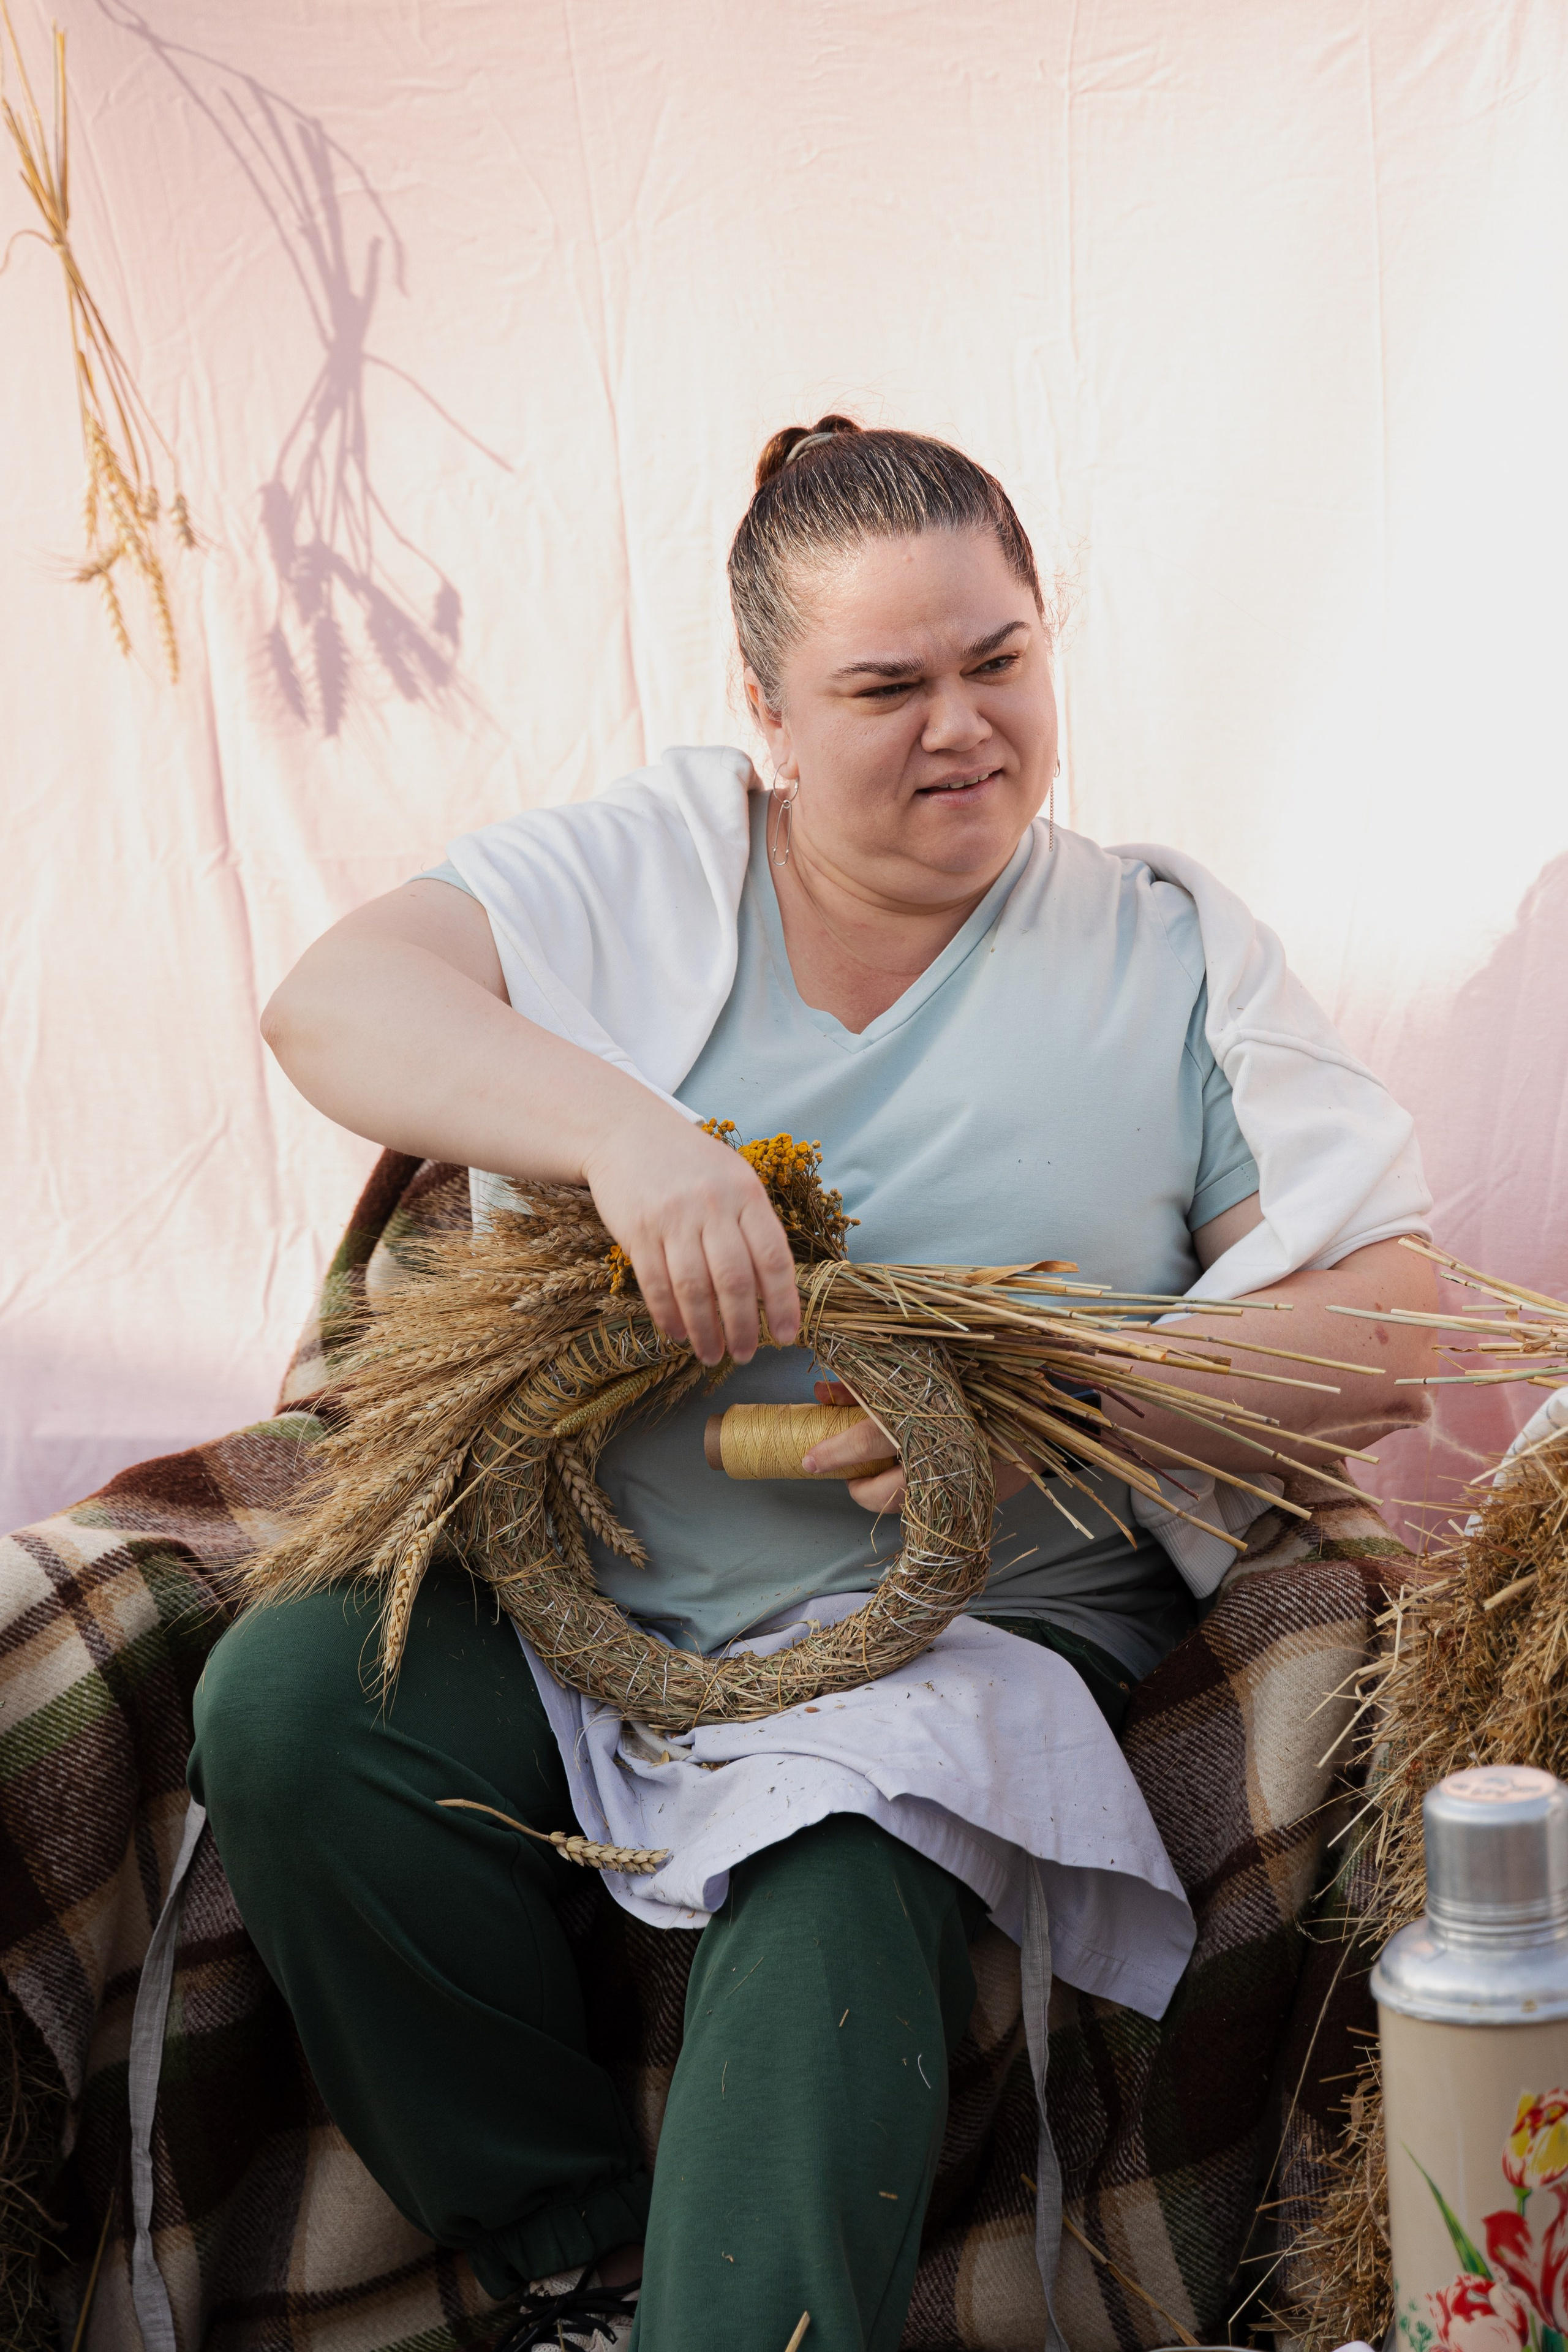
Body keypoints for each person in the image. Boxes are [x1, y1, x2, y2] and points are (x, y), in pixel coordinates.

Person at [190, 417, 1438, 2352]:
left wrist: (1055, 1425)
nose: (962, 727)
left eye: (999, 661)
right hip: (592, 1607)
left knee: (842, 1850)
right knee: (291, 1701)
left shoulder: (1168, 953)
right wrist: (630, 1139)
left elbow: (1397, 1309)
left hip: (951, 1649)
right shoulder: (646, 869)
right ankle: (572, 2256)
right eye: (887, 687)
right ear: (764, 709)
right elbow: (331, 1002)